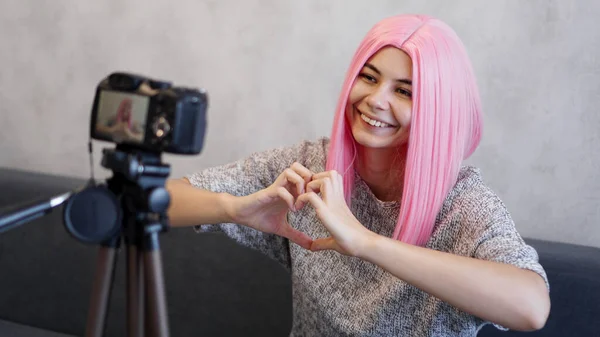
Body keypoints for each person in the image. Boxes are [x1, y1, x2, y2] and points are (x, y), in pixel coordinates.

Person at [166, 14, 550, 336]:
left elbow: (531, 307)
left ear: (438, 110)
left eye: (404, 92)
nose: (376, 100)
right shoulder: (308, 166)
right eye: (368, 77)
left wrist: (364, 242)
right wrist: (232, 209)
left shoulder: (463, 205)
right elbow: (156, 202)